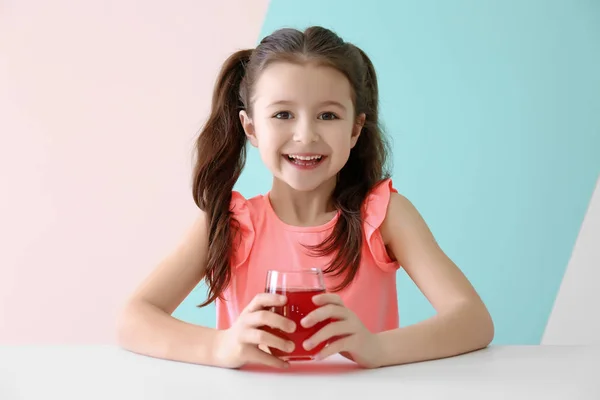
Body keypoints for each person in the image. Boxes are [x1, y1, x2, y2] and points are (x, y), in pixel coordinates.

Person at [116, 26, 494, 370]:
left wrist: (376, 348)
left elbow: (473, 319)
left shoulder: (384, 215)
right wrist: (222, 347)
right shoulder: (230, 222)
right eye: (282, 114)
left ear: (355, 128)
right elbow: (133, 319)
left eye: (328, 116)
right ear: (251, 127)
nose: (305, 135)